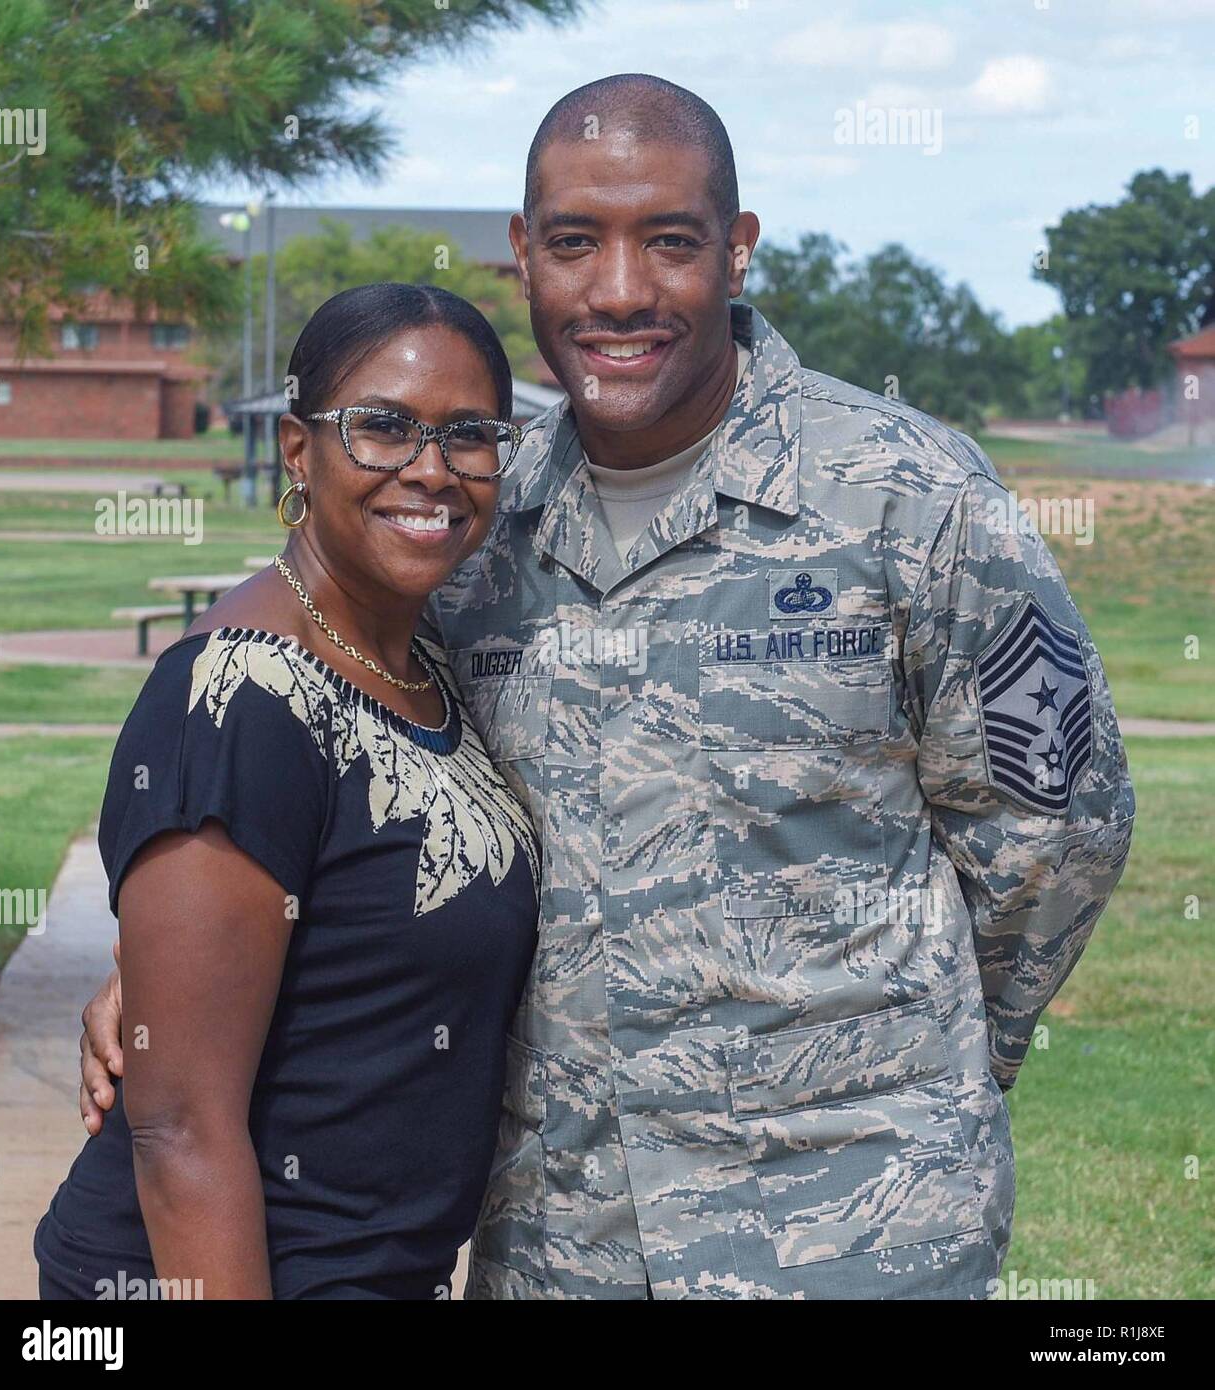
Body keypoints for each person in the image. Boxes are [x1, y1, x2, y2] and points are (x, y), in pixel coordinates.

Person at [79, 75, 1135, 1300]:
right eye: (576, 243)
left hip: (853, 1237)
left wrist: (920, 1070)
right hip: (557, 1244)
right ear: (523, 257)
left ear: (736, 253)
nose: (620, 290)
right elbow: (328, 758)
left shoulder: (911, 499)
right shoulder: (471, 515)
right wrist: (161, 982)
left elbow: (1056, 831)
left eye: (670, 241)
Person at [37, 283, 540, 1300]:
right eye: (382, 427)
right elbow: (179, 1124)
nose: (430, 470)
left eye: (468, 435)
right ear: (298, 451)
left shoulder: (426, 662)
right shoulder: (236, 696)